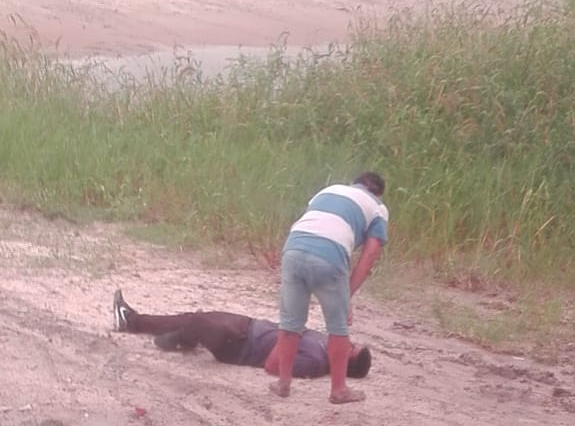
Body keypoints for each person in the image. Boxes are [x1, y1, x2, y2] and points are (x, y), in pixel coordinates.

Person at [270, 172, 388, 404]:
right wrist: (348, 295)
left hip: (293, 249)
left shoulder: (328, 190)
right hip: (329, 256)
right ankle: (339, 390)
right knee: (337, 326)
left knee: (290, 323)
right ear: (378, 193)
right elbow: (370, 254)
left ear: (355, 183)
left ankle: (283, 383)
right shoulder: (378, 207)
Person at [112, 291, 372, 383]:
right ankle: (180, 337)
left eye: (351, 348)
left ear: (344, 363)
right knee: (197, 318)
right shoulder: (323, 343)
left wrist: (290, 335)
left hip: (239, 346)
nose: (348, 342)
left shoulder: (315, 362)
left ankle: (133, 323)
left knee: (197, 321)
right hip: (248, 327)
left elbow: (272, 366)